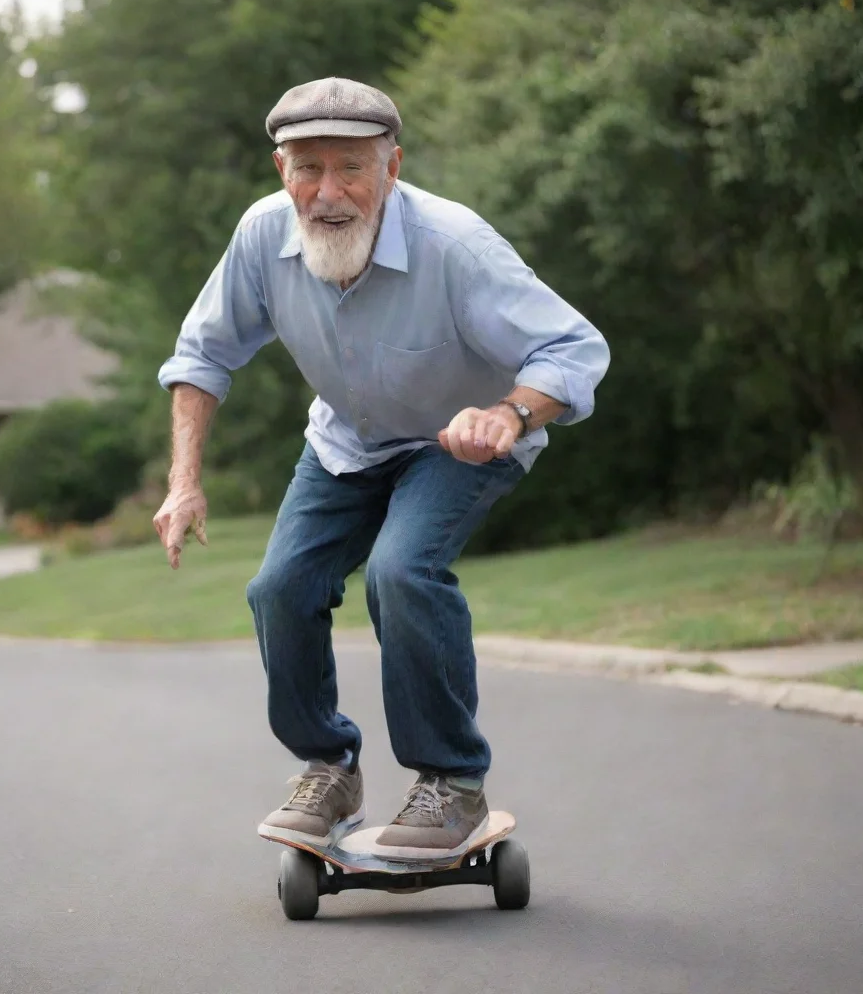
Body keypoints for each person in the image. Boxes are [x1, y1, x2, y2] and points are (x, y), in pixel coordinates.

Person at [153, 77, 609, 861]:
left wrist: (508, 415)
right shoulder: (264, 237)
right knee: (278, 588)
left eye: (351, 168)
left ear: (392, 167)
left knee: (401, 574)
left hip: (457, 442)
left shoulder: (453, 245)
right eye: (307, 168)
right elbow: (203, 353)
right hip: (346, 443)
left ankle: (452, 784)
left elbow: (573, 349)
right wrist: (183, 480)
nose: (327, 192)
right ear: (279, 169)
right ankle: (329, 767)